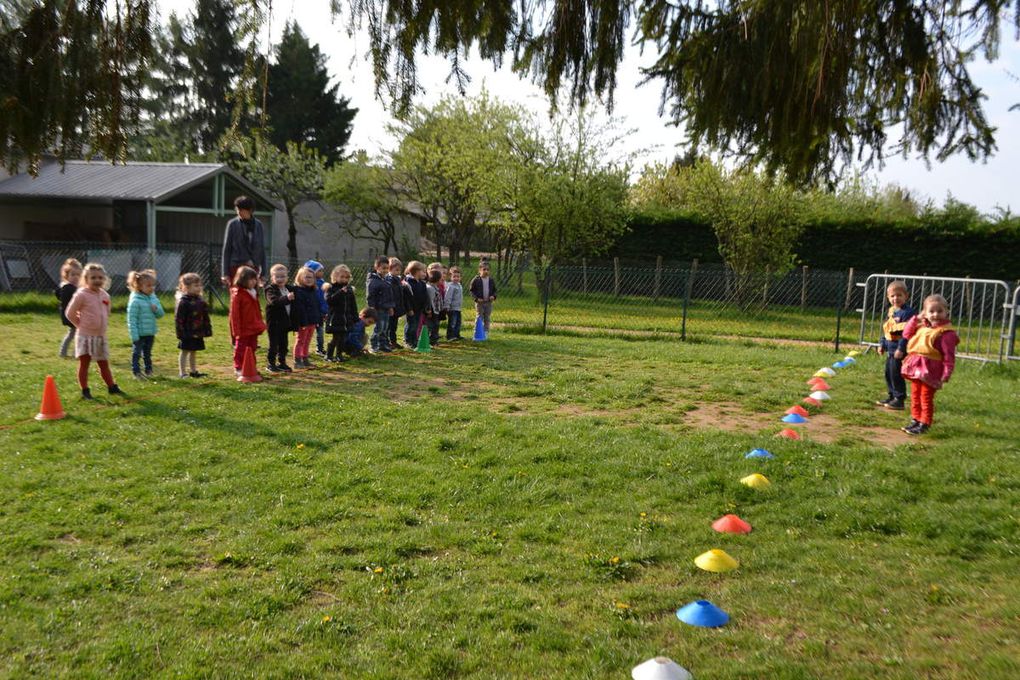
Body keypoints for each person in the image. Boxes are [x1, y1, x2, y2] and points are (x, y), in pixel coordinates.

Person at [900, 294, 959, 435]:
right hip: (916, 368)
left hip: (931, 371)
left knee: (925, 397)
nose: (936, 315)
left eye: (940, 311)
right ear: (924, 312)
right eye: (931, 311)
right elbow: (906, 334)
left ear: (946, 312)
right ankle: (916, 419)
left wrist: (946, 372)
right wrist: (916, 319)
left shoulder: (946, 334)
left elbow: (948, 356)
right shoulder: (921, 327)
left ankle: (925, 423)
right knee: (915, 395)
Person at [64, 262, 123, 399]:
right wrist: (80, 325)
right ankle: (85, 390)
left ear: (104, 279)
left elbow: (107, 312)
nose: (97, 280)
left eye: (100, 278)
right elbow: (70, 313)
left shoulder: (105, 295)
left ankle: (111, 387)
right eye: (93, 278)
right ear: (86, 279)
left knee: (104, 364)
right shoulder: (81, 295)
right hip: (85, 336)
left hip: (100, 336)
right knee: (84, 364)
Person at [875, 280, 915, 410]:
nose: (895, 298)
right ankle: (892, 395)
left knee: (896, 374)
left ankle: (899, 398)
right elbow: (887, 329)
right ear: (888, 297)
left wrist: (901, 348)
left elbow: (907, 334)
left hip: (899, 350)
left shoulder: (908, 313)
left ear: (906, 296)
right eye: (892, 296)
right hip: (890, 349)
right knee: (889, 373)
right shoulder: (892, 312)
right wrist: (882, 344)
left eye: (899, 295)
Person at [126, 269, 165, 379]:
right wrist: (134, 335)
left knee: (147, 353)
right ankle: (136, 371)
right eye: (148, 285)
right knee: (137, 353)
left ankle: (149, 370)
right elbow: (131, 319)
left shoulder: (153, 298)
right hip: (139, 334)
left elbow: (161, 314)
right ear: (139, 286)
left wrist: (156, 309)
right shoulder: (135, 301)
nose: (152, 288)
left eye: (153, 285)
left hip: (150, 332)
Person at [220, 196, 267, 286]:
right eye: (237, 209)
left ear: (250, 210)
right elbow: (227, 249)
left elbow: (261, 249)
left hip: (253, 268)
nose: (239, 212)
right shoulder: (232, 224)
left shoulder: (258, 225)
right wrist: (225, 273)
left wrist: (263, 273)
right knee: (237, 296)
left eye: (241, 209)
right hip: (236, 268)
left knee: (252, 296)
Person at [229, 266, 266, 377]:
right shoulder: (238, 295)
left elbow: (257, 311)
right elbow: (234, 315)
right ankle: (239, 367)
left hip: (253, 328)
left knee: (252, 348)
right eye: (251, 279)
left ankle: (250, 367)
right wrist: (236, 331)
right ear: (242, 279)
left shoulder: (253, 293)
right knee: (240, 348)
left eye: (255, 279)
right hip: (243, 329)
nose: (254, 281)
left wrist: (260, 325)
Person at [174, 272, 213, 378]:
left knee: (194, 351)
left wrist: (207, 329)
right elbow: (179, 319)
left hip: (197, 331)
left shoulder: (200, 301)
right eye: (196, 286)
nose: (199, 288)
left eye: (200, 285)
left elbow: (205, 316)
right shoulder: (183, 302)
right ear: (186, 287)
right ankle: (182, 372)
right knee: (185, 351)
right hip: (187, 332)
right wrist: (180, 333)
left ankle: (193, 371)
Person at [264, 264, 296, 373]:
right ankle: (271, 363)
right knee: (274, 344)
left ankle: (282, 362)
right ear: (272, 278)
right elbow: (274, 301)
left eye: (283, 276)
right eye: (277, 277)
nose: (280, 279)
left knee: (284, 344)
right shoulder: (270, 289)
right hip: (274, 322)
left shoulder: (289, 288)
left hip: (284, 322)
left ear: (287, 277)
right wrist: (287, 298)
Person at [325, 264, 359, 362]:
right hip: (335, 318)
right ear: (335, 277)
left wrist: (355, 317)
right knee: (336, 338)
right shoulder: (331, 288)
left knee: (343, 338)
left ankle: (339, 355)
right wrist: (340, 292)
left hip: (346, 319)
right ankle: (329, 355)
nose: (345, 279)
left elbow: (353, 304)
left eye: (347, 277)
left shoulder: (349, 290)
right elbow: (329, 301)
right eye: (342, 277)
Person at [292, 265, 322, 368]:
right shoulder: (298, 291)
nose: (309, 280)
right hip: (303, 322)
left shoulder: (313, 291)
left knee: (308, 340)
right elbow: (300, 309)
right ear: (300, 278)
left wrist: (318, 317)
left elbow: (316, 305)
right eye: (307, 277)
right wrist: (303, 322)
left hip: (312, 321)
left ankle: (305, 358)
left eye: (311, 277)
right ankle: (297, 360)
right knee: (300, 340)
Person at [366, 255, 395, 353]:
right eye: (383, 268)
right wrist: (372, 308)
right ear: (377, 268)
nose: (385, 270)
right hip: (378, 308)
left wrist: (391, 306)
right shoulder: (373, 281)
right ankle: (374, 345)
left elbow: (389, 295)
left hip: (386, 308)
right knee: (379, 327)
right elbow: (370, 296)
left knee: (385, 327)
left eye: (387, 268)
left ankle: (383, 344)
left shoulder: (386, 280)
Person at [56, 258, 82, 358]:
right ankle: (74, 353)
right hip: (71, 315)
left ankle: (66, 352)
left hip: (71, 315)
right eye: (73, 275)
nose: (76, 277)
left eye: (78, 275)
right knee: (76, 334)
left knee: (73, 333)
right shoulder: (69, 288)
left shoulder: (68, 287)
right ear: (67, 276)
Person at [305, 260, 330, 357]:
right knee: (308, 332)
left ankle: (320, 348)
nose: (322, 273)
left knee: (320, 331)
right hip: (312, 312)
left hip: (321, 312)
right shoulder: (311, 285)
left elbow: (324, 299)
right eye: (319, 270)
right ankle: (304, 350)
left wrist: (325, 310)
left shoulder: (323, 283)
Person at [402, 261, 428, 347]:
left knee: (416, 325)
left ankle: (414, 340)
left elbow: (424, 296)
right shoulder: (408, 283)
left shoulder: (421, 283)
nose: (425, 273)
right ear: (417, 271)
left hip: (419, 309)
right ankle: (408, 340)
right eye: (423, 271)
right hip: (411, 309)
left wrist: (425, 307)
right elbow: (407, 298)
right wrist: (409, 309)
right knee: (411, 325)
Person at [469, 262, 497, 334]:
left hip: (488, 303)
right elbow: (472, 291)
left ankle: (485, 332)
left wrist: (493, 296)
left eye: (488, 270)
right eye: (484, 269)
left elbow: (494, 290)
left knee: (487, 317)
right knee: (479, 317)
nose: (486, 271)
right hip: (479, 303)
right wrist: (476, 299)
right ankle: (477, 332)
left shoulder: (491, 280)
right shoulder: (476, 280)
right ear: (479, 270)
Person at [386, 257, 405, 349]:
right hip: (391, 307)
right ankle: (387, 342)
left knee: (394, 326)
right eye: (396, 270)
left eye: (399, 270)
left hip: (397, 306)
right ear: (390, 269)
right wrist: (390, 306)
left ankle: (393, 341)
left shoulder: (398, 280)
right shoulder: (389, 280)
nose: (398, 272)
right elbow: (390, 294)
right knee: (388, 326)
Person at [444, 266, 464, 340]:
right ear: (450, 277)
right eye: (454, 276)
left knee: (458, 322)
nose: (456, 278)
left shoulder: (459, 285)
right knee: (452, 322)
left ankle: (456, 334)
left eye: (458, 277)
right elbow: (448, 297)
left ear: (460, 277)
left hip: (458, 308)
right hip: (452, 308)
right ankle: (450, 336)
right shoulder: (451, 286)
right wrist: (447, 306)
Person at [425, 269, 443, 345]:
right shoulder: (430, 288)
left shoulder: (435, 287)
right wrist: (429, 310)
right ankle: (430, 340)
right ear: (438, 279)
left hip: (436, 310)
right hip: (432, 311)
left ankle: (434, 340)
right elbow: (430, 300)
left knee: (436, 325)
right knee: (431, 326)